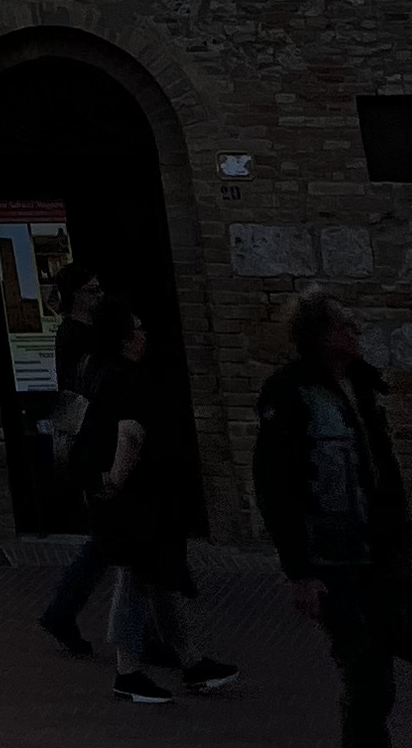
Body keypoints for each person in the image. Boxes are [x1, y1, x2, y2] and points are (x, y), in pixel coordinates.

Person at [254, 294, 412, 748]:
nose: (356, 330)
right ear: (323, 335)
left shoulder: (362, 385)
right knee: (362, 670)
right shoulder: (289, 392)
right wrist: (299, 572)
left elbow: (380, 466)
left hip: (379, 552)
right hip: (330, 557)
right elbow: (274, 486)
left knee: (380, 669)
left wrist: (401, 538)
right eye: (346, 325)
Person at [84, 299, 240, 704]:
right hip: (138, 501)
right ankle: (127, 672)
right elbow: (130, 432)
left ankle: (190, 662)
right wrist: (117, 479)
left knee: (158, 579)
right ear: (124, 336)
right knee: (137, 579)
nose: (143, 333)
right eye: (136, 326)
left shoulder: (96, 373)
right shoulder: (127, 378)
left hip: (127, 501)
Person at [39, 269, 116, 658]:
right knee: (109, 541)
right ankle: (61, 611)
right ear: (77, 296)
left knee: (112, 543)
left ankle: (64, 612)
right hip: (94, 444)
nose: (100, 295)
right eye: (93, 289)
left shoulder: (80, 334)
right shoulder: (76, 336)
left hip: (93, 442)